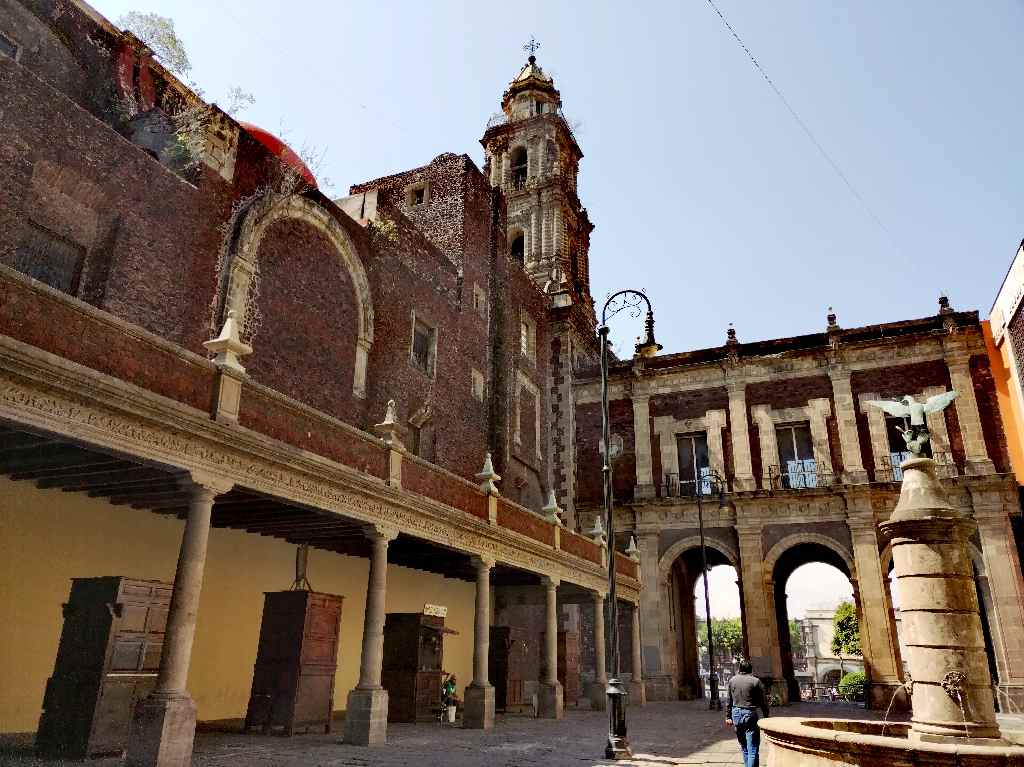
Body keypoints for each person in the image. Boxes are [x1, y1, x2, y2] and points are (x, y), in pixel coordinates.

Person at [725, 659, 770, 767]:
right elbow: (763, 701)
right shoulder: (755, 681)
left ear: (739, 668)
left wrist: (728, 716)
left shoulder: (732, 680)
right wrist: (766, 715)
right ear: (750, 669)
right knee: (753, 748)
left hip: (736, 714)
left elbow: (728, 700)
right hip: (749, 714)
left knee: (744, 747)